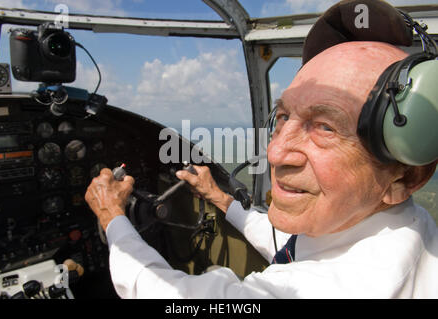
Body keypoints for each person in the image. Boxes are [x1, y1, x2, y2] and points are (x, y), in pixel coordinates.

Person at [84, 38, 437, 298]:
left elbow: (168, 296)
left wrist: (112, 216)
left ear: (406, 176)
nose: (276, 151)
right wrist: (222, 201)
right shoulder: (399, 226)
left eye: (326, 127)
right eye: (283, 117)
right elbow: (292, 247)